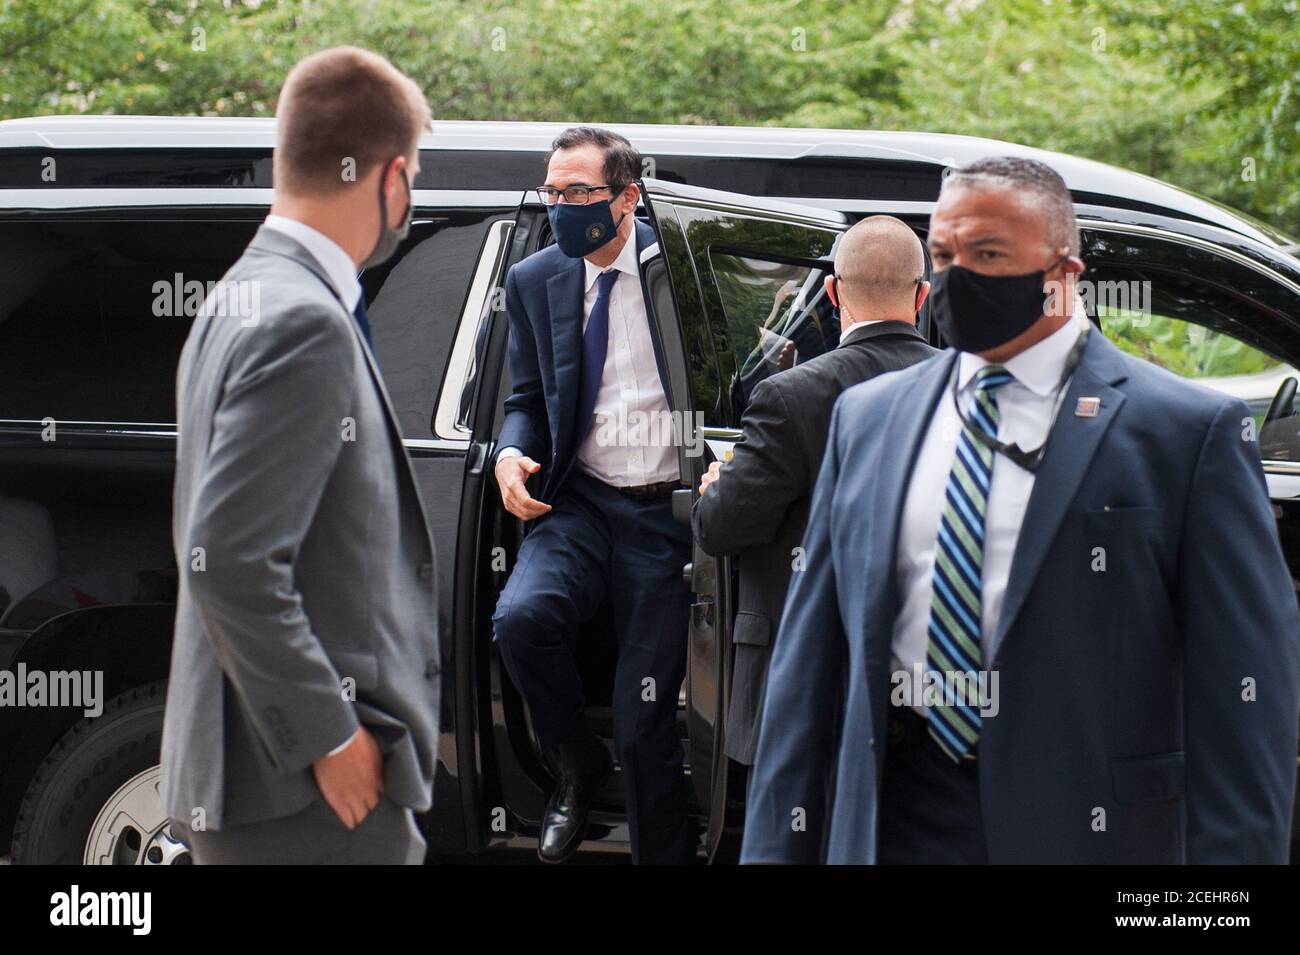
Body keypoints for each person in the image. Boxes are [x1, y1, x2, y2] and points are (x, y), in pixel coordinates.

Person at [741, 156, 1300, 864]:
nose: (958, 275)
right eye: (943, 254)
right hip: (892, 821)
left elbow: (1243, 712)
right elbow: (806, 672)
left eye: (989, 254)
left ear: (1065, 273)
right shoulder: (869, 419)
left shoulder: (1189, 434)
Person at [161, 47, 440, 864]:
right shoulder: (302, 320)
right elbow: (232, 560)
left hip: (268, 787)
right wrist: (329, 736)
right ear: (389, 179)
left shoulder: (242, 294)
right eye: (414, 175)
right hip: (304, 798)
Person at [491, 127, 693, 864]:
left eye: (579, 192)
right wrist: (512, 454)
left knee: (645, 720)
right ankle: (576, 764)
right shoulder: (537, 277)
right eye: (553, 190)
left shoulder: (680, 271)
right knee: (520, 621)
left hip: (666, 515)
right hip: (579, 500)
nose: (562, 205)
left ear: (627, 197)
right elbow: (525, 398)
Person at [692, 216, 937, 768]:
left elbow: (721, 528)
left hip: (802, 681)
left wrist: (716, 488)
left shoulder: (788, 394)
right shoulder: (969, 390)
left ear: (832, 291)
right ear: (921, 295)